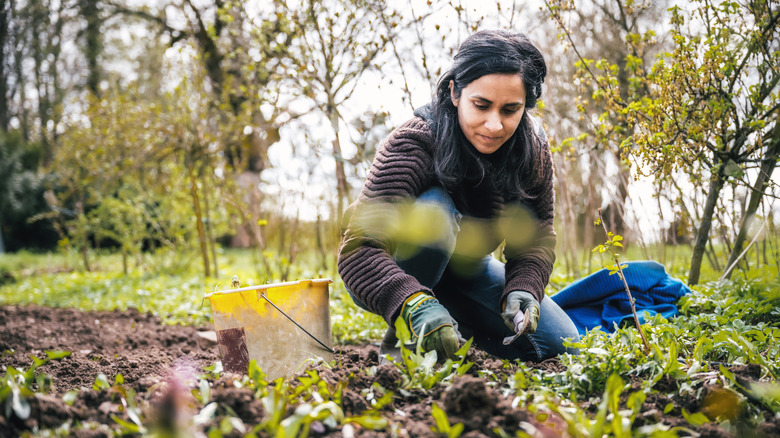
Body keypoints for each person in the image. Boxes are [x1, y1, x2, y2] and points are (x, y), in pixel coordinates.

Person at [337, 30, 579, 362]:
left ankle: (449, 330)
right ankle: (403, 347)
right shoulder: (416, 141)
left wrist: (524, 286)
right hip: (385, 266)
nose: (494, 125)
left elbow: (536, 236)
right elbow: (358, 250)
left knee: (558, 342)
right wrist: (412, 302)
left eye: (510, 110)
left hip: (467, 270)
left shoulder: (531, 149)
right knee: (434, 212)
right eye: (481, 105)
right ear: (454, 92)